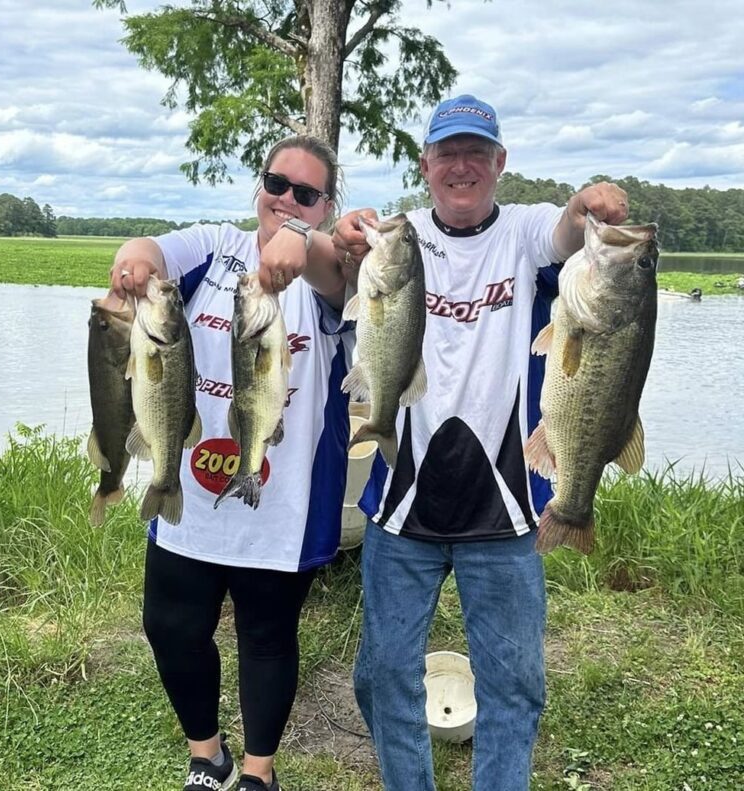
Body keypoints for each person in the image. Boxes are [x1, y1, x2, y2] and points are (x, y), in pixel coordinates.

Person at [332, 94, 630, 791]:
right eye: (447, 152)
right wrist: (339, 239)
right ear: (425, 164)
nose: (461, 166)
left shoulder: (524, 232)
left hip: (507, 512)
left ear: (499, 163)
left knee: (516, 686)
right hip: (402, 509)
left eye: (476, 153)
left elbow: (566, 231)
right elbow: (340, 260)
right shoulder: (399, 240)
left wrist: (588, 202)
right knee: (380, 677)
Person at [109, 135, 354, 791]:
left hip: (284, 500)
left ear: (328, 203)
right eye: (278, 183)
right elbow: (153, 254)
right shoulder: (216, 247)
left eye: (307, 193)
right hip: (188, 485)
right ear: (259, 185)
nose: (288, 200)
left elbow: (339, 272)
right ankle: (207, 754)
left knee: (266, 636)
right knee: (168, 625)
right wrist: (131, 263)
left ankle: (257, 773)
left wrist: (303, 241)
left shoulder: (331, 277)